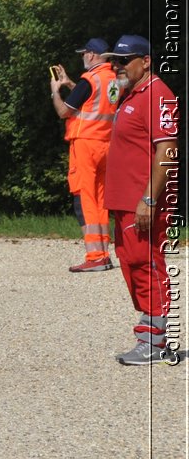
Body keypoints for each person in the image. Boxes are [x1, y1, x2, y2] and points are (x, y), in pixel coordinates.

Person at [101, 35, 180, 366]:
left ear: (146, 61)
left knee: (147, 266)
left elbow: (169, 151)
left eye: (124, 60)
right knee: (133, 266)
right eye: (115, 61)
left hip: (143, 201)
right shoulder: (132, 95)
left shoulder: (158, 94)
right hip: (124, 202)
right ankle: (148, 335)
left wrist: (149, 198)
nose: (117, 66)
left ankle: (155, 341)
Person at [50, 37, 118, 271]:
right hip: (105, 145)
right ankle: (104, 253)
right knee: (100, 200)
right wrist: (71, 84)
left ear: (90, 55)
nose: (82, 58)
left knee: (86, 198)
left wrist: (55, 92)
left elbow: (62, 112)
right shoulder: (113, 78)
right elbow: (92, 102)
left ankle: (94, 256)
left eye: (83, 54)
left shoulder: (89, 79)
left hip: (85, 145)